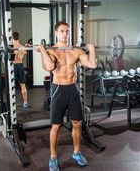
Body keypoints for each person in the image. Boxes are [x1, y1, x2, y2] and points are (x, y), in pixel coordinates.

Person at [36, 21, 97, 171]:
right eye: (62, 31)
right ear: (56, 33)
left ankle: (76, 153)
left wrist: (91, 49)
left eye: (67, 31)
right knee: (56, 126)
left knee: (77, 123)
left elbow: (92, 65)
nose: (65, 34)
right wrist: (43, 49)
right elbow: (50, 67)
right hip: (58, 90)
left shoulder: (76, 51)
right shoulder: (51, 51)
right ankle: (53, 158)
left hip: (72, 90)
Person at [12, 32, 29, 108]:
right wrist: (25, 46)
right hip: (20, 65)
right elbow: (24, 52)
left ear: (12, 38)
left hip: (12, 66)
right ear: (18, 38)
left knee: (10, 86)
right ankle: (25, 103)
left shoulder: (11, 47)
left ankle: (11, 104)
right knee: (23, 85)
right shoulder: (22, 47)